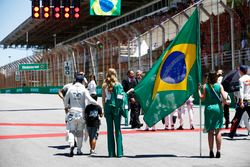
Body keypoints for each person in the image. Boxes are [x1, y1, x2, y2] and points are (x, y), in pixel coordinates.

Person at [64, 74, 100, 157]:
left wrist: (66, 107)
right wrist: (97, 104)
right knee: (80, 132)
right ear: (82, 81)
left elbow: (66, 99)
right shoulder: (84, 89)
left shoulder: (70, 88)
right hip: (81, 113)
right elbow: (90, 99)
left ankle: (72, 144)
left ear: (75, 80)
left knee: (71, 130)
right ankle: (79, 150)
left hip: (72, 111)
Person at [198, 71, 228, 158]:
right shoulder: (219, 86)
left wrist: (198, 91)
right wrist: (223, 102)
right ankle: (218, 151)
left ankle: (211, 151)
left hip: (208, 109)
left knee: (210, 131)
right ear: (216, 77)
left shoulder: (205, 86)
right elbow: (225, 98)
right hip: (218, 108)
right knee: (218, 130)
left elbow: (202, 98)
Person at [102, 68, 126, 158]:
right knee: (118, 130)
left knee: (110, 130)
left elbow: (103, 99)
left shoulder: (104, 85)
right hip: (116, 106)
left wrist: (104, 110)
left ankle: (111, 153)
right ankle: (119, 152)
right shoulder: (118, 85)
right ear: (115, 74)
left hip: (108, 106)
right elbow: (121, 97)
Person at [229, 65, 250, 138]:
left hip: (243, 101)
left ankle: (232, 133)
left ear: (241, 71)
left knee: (237, 118)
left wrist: (241, 101)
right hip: (249, 100)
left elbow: (241, 91)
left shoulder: (241, 79)